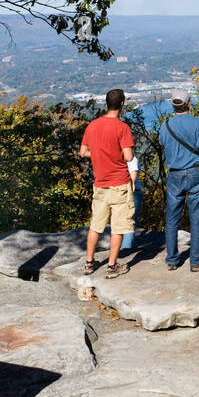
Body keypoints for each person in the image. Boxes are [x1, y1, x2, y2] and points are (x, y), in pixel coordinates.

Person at [79, 88, 135, 279]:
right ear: (121, 104)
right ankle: (112, 266)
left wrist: (99, 153)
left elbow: (83, 151)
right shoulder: (122, 128)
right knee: (118, 227)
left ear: (106, 103)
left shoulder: (93, 125)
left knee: (96, 224)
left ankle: (89, 262)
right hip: (119, 182)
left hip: (100, 183)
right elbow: (128, 157)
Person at [160, 96, 199, 272]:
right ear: (188, 104)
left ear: (173, 106)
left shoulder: (165, 125)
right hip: (195, 172)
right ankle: (197, 261)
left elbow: (163, 143)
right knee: (196, 217)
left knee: (172, 219)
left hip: (175, 175)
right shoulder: (198, 123)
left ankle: (172, 259)